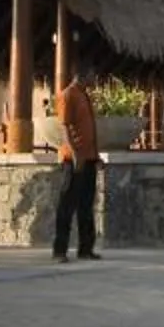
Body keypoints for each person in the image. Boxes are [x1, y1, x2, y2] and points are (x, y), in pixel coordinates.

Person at [52, 73, 101, 261]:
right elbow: (64, 126)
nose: (95, 79)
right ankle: (60, 250)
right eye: (93, 75)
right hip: (74, 159)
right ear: (83, 73)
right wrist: (74, 154)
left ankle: (86, 249)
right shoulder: (68, 95)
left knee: (86, 205)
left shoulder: (84, 95)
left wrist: (96, 156)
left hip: (89, 158)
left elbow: (89, 129)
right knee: (67, 204)